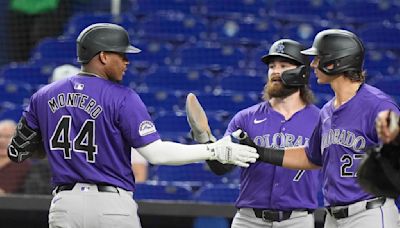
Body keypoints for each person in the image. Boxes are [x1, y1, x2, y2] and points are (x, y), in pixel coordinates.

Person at [6, 23, 258, 228]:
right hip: (110, 207)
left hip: (64, 206)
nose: (127, 61)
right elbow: (155, 154)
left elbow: (17, 151)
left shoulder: (43, 95)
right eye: (122, 55)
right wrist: (213, 150)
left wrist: (55, 145)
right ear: (103, 56)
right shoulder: (122, 96)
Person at [237, 29, 400, 228]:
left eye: (317, 58)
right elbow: (311, 157)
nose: (313, 64)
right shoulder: (326, 112)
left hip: (370, 213)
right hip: (332, 217)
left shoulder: (377, 105)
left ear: (335, 63)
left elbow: (394, 141)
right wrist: (260, 152)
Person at [189, 39, 321, 227]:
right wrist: (206, 139)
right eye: (272, 66)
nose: (275, 71)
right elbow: (221, 168)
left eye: (283, 65)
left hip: (297, 220)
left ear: (302, 72)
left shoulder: (321, 120)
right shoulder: (245, 118)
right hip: (249, 220)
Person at [0, 119, 31, 194]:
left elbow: (6, 191)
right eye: (0, 136)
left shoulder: (22, 164)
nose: (2, 141)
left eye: (8, 137)